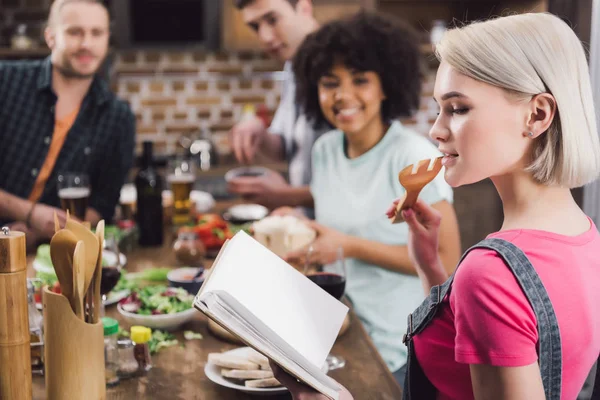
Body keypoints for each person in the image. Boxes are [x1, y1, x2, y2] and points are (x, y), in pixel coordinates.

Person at [275, 12, 600, 400]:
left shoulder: (490, 273)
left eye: (458, 108)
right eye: (439, 107)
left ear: (537, 115)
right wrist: (431, 271)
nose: (435, 129)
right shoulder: (584, 235)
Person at [280, 11, 461, 387]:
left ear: (385, 86)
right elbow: (338, 226)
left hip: (398, 347)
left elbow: (446, 264)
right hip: (337, 333)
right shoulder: (326, 149)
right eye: (330, 83)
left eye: (360, 80)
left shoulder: (411, 156)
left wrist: (347, 246)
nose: (343, 96)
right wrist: (301, 231)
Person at [0, 0, 135, 247]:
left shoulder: (119, 117)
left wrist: (38, 232)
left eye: (96, 33)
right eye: (75, 32)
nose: (86, 44)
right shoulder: (5, 81)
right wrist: (30, 213)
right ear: (50, 37)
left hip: (49, 258)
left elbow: (101, 206)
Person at [227, 0, 324, 213]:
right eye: (255, 27)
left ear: (304, 7)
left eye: (272, 19)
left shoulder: (342, 70)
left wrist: (285, 196)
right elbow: (285, 148)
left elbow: (362, 187)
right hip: (309, 227)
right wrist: (259, 131)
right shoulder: (292, 68)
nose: (265, 37)